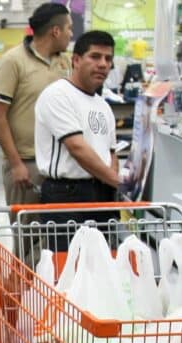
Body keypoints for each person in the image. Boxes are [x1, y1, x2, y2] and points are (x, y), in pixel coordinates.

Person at [34, 30, 119, 238]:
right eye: (95, 56)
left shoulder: (103, 106)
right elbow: (77, 148)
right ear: (76, 60)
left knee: (104, 264)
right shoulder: (58, 95)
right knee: (68, 265)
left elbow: (111, 152)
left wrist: (113, 187)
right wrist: (118, 181)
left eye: (108, 59)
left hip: (102, 194)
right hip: (66, 196)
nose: (103, 64)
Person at [0, 2, 72, 209]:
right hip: (27, 163)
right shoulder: (12, 61)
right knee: (28, 233)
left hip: (60, 163)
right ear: (56, 31)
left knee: (57, 232)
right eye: (69, 28)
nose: (71, 34)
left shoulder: (65, 62)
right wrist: (16, 164)